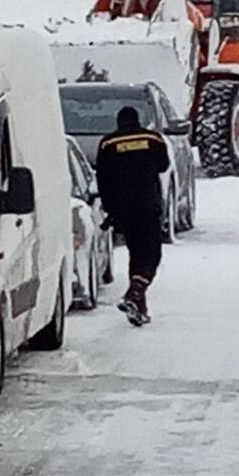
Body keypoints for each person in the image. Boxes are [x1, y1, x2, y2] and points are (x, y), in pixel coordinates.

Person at [96, 105, 170, 325]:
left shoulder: (108, 144)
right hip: (148, 206)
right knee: (152, 254)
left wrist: (110, 210)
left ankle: (138, 307)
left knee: (136, 254)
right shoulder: (153, 139)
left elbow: (103, 180)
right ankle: (135, 293)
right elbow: (163, 166)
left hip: (125, 210)